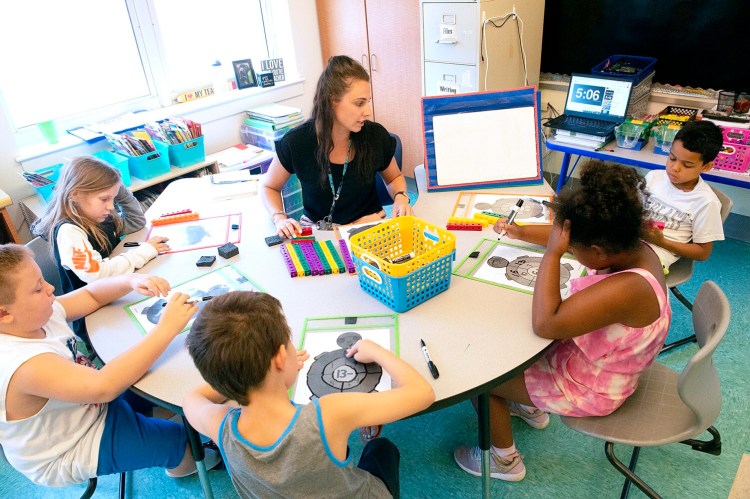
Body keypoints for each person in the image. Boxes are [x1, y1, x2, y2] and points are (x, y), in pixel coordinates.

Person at [453, 161, 671, 482]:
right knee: (509, 344)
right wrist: (520, 231)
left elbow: (546, 324)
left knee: (478, 379)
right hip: (592, 358)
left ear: (597, 252)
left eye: (574, 248)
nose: (569, 247)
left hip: (591, 386)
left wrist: (554, 255)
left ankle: (504, 460)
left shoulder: (631, 288)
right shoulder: (629, 245)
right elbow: (566, 235)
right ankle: (528, 406)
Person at [0, 243, 220, 488]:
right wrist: (166, 328)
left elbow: (90, 295)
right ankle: (184, 464)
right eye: (39, 287)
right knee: (179, 441)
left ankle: (145, 424)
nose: (51, 288)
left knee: (158, 385)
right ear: (3, 314)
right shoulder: (19, 362)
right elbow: (103, 387)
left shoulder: (35, 314)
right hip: (72, 446)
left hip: (86, 406)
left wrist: (131, 281)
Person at [183, 291, 435, 498]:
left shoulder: (221, 427)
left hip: (253, 373)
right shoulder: (329, 414)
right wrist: (376, 350)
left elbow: (190, 399)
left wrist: (242, 371)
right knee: (381, 448)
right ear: (281, 358)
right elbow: (422, 393)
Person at [260, 55, 413, 238]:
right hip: (320, 233)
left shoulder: (374, 136)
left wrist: (401, 196)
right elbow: (269, 187)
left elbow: (394, 177)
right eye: (359, 103)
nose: (368, 111)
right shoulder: (296, 142)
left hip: (369, 228)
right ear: (332, 100)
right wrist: (279, 217)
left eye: (368, 101)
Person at [31, 155, 169, 337]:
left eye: (113, 199)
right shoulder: (69, 232)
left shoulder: (98, 217)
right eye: (104, 199)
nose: (111, 206)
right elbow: (97, 275)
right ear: (75, 194)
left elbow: (136, 222)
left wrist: (117, 187)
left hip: (114, 296)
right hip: (92, 317)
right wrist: (145, 251)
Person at [642, 120, 725, 273]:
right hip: (630, 239)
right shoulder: (654, 177)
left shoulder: (706, 202)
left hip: (655, 254)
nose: (675, 168)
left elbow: (702, 253)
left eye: (687, 165)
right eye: (672, 158)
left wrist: (661, 241)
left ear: (706, 166)